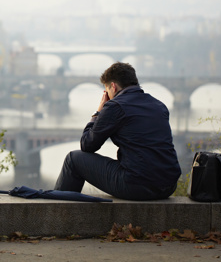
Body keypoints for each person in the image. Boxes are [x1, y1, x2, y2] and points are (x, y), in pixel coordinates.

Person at [54, 62, 181, 200]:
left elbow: (87, 145)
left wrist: (98, 112)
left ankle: (57, 212)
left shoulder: (116, 106)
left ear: (113, 86)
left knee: (73, 159)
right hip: (168, 185)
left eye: (107, 90)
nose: (107, 95)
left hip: (137, 185)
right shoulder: (159, 106)